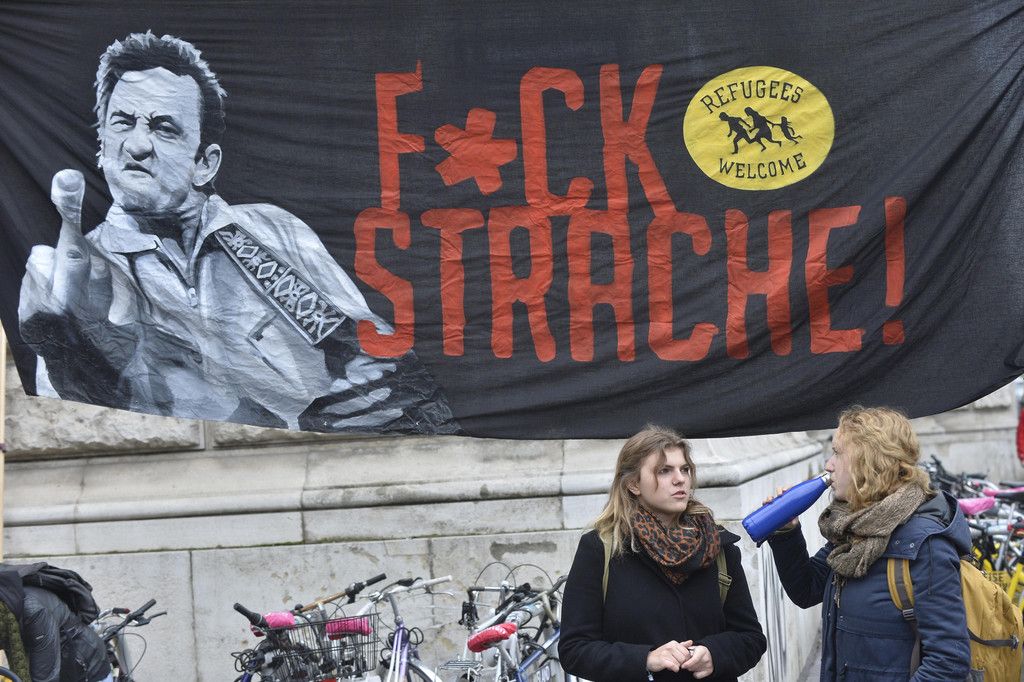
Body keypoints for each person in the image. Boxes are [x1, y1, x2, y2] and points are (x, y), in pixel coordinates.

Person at [17, 31, 457, 435]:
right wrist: (72, 352)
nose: (136, 145)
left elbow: (373, 350)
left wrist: (374, 389)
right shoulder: (78, 282)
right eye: (122, 122)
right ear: (101, 144)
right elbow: (78, 424)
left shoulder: (271, 229)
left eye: (163, 128)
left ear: (205, 163)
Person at [767, 406, 972, 681]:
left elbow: (948, 662)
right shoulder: (855, 527)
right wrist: (787, 532)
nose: (828, 465)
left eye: (838, 453)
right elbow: (807, 589)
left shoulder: (926, 546)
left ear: (869, 462)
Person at [559, 426, 766, 681]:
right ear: (634, 484)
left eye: (685, 469)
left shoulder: (717, 546)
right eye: (664, 471)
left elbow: (751, 639)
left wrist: (714, 653)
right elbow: (574, 649)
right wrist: (645, 659)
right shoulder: (600, 549)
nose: (680, 479)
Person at [21, 586, 111, 682]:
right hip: (64, 665)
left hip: (87, 666)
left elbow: (46, 677)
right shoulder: (15, 606)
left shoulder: (33, 611)